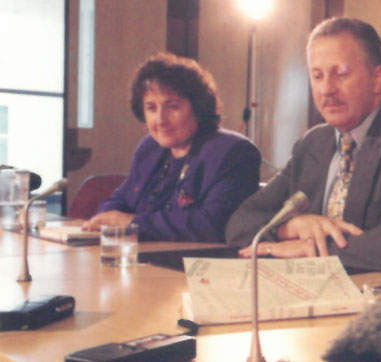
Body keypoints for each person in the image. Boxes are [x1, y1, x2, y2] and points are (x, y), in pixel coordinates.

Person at [225, 17, 381, 273]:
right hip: (309, 292)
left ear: (376, 78)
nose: (326, 89)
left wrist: (307, 251)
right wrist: (290, 227)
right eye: (317, 76)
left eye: (340, 74)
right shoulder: (313, 143)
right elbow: (239, 222)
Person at [83, 52, 261, 242]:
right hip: (141, 258)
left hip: (191, 265)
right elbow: (121, 201)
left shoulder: (233, 152)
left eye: (173, 107)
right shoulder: (149, 148)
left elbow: (212, 224)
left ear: (198, 107)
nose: (160, 120)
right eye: (151, 108)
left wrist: (133, 223)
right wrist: (106, 218)